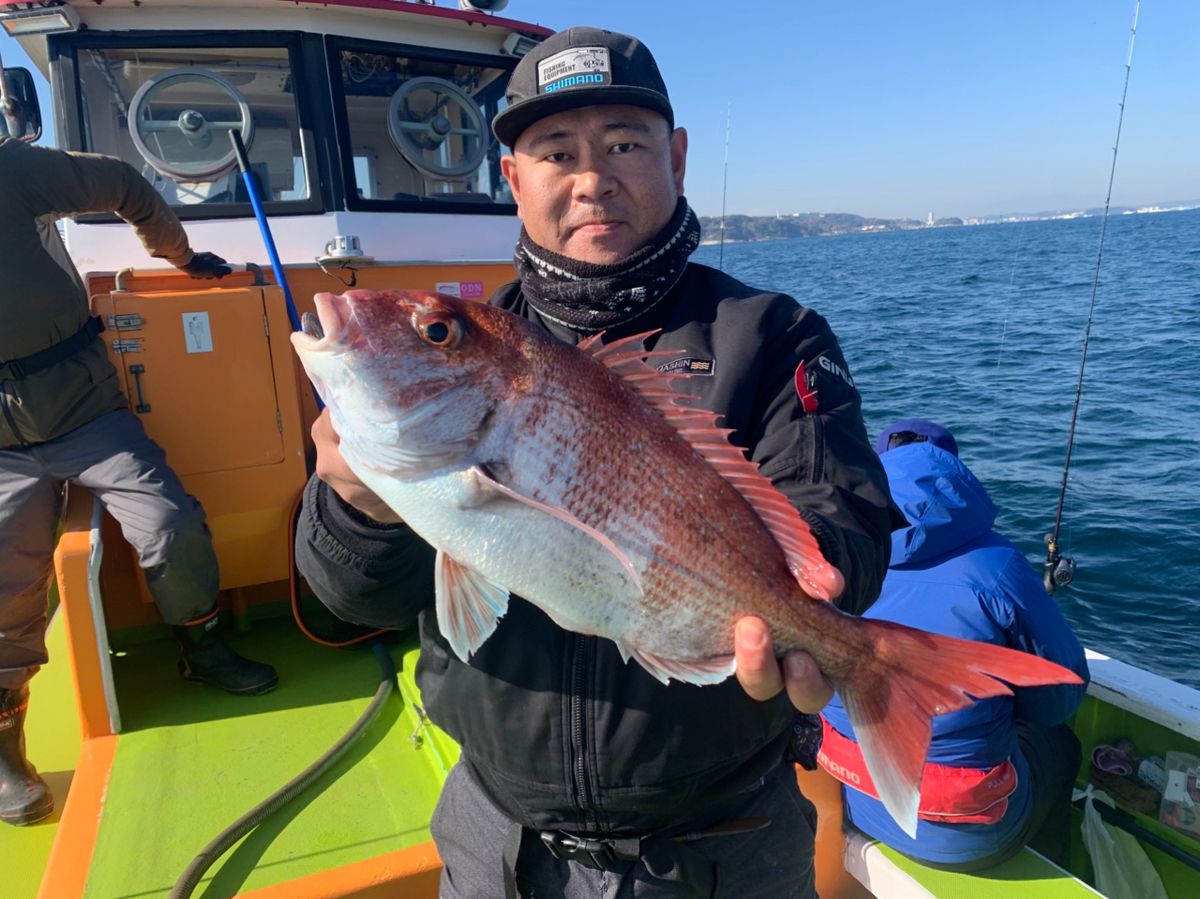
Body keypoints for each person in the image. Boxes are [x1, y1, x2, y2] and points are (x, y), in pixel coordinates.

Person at [296, 26, 898, 897]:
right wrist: (358, 502)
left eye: (624, 143)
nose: (591, 178)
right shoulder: (471, 356)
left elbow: (844, 529)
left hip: (723, 842)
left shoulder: (771, 335)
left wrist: (806, 613)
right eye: (555, 151)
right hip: (495, 835)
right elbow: (351, 598)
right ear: (512, 179)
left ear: (677, 157)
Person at [0, 93, 279, 826]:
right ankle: (4, 740)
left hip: (86, 413)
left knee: (170, 523)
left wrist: (181, 258)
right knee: (3, 580)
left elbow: (123, 180)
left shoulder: (16, 172)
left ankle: (202, 644)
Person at [819, 419, 1089, 871]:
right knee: (1063, 746)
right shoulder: (999, 566)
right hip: (975, 838)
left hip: (861, 804)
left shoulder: (831, 563)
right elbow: (1060, 698)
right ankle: (1052, 863)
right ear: (955, 474)